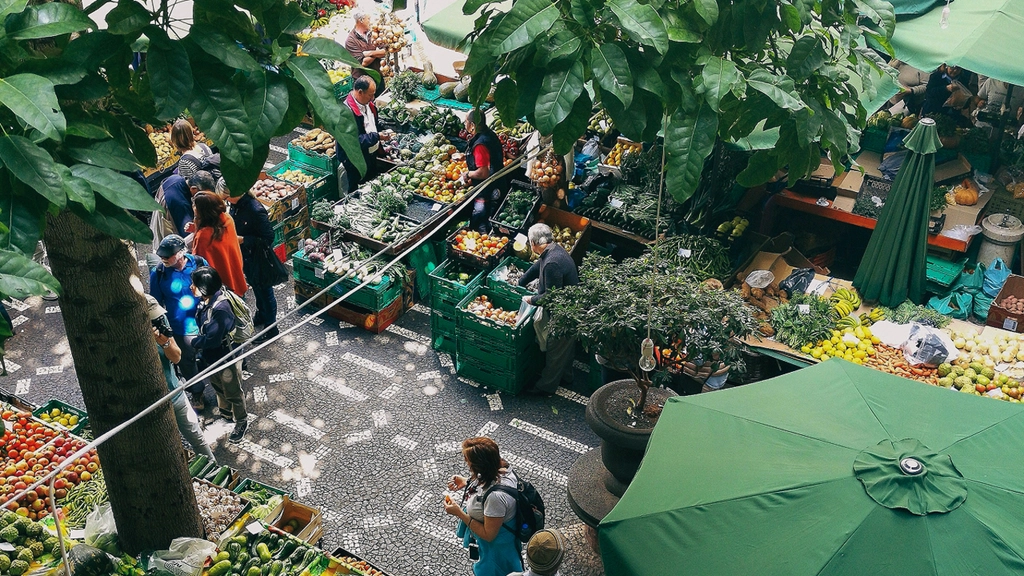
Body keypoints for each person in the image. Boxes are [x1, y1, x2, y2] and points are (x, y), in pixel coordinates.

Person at [145, 294, 216, 461]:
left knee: (197, 438)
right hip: (152, 404)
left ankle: (214, 468)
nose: (157, 320)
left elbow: (176, 357)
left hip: (175, 393)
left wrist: (164, 342)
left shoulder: (160, 321)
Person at [443, 437, 523, 576]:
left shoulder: (495, 498)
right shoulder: (503, 468)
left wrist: (459, 513)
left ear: (479, 466)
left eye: (467, 459)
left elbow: (488, 534)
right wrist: (468, 481)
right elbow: (487, 480)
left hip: (496, 550)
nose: (465, 462)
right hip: (501, 543)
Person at [518, 224, 579, 397]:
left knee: (555, 348)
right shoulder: (553, 250)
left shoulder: (552, 262)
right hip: (570, 308)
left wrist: (531, 299)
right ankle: (566, 376)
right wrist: (521, 281)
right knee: (565, 347)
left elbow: (551, 296)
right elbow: (538, 266)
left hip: (565, 312)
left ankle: (546, 386)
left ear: (533, 242)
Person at [189, 266, 248, 443]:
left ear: (205, 288)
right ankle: (226, 413)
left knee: (233, 391)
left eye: (195, 285)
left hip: (225, 356)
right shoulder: (206, 301)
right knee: (217, 385)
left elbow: (213, 339)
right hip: (212, 356)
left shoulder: (220, 309)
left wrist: (194, 343)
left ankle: (241, 420)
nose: (191, 287)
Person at [150, 234, 209, 410]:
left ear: (182, 252)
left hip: (204, 321)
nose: (164, 259)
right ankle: (197, 392)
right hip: (180, 328)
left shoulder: (198, 262)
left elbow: (210, 284)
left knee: (211, 353)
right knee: (186, 362)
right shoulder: (159, 274)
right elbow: (156, 304)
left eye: (168, 255)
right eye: (162, 255)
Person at [217, 179, 279, 341]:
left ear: (234, 194)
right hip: (246, 257)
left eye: (226, 198)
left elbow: (268, 237)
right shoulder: (236, 206)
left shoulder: (255, 209)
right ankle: (261, 314)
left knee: (265, 292)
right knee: (257, 289)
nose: (225, 201)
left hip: (259, 258)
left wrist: (243, 239)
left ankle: (272, 328)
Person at [187, 190, 248, 297]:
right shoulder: (227, 219)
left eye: (195, 205)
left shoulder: (203, 236)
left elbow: (198, 261)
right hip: (235, 273)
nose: (193, 207)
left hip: (220, 285)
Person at [338, 76, 391, 186]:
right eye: (370, 95)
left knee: (371, 185)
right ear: (360, 92)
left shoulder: (367, 104)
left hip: (370, 155)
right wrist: (377, 136)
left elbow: (372, 123)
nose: (373, 98)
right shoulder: (345, 114)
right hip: (355, 161)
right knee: (358, 188)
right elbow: (353, 142)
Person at [462, 108, 506, 232]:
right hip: (498, 183)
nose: (464, 124)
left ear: (472, 125)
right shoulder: (489, 134)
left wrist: (468, 174)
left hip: (487, 190)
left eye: (466, 122)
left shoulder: (480, 145)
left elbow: (483, 172)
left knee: (481, 225)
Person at [344, 11, 386, 96]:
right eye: (368, 19)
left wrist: (369, 53)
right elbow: (363, 63)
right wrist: (377, 51)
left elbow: (385, 52)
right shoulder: (351, 40)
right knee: (367, 106)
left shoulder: (373, 33)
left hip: (378, 77)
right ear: (361, 20)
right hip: (363, 83)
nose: (370, 21)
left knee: (380, 103)